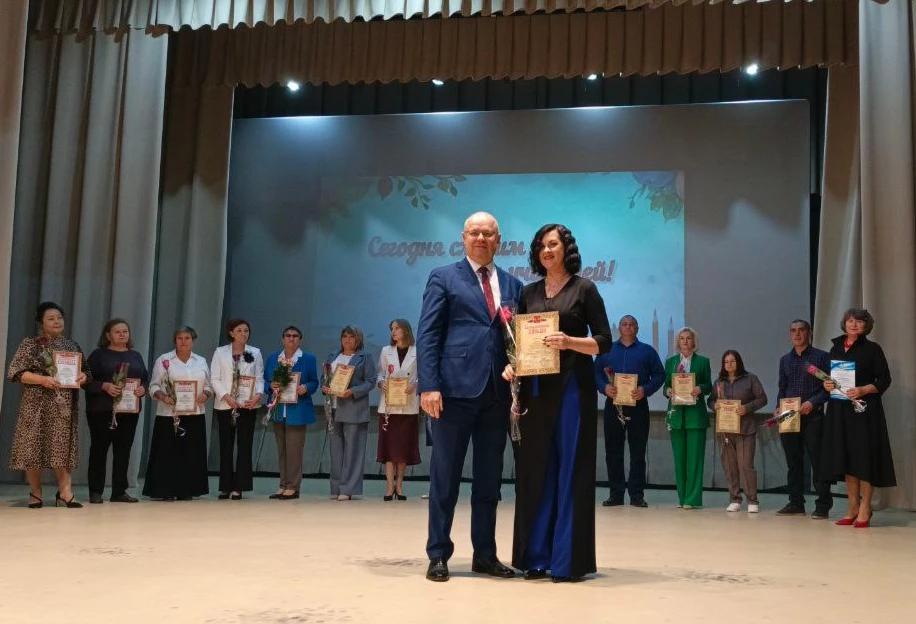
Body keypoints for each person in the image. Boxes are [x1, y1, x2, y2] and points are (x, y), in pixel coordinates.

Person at [417, 211, 523, 583]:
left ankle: (485, 555)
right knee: (445, 477)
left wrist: (517, 367)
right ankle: (438, 553)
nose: (481, 238)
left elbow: (517, 339)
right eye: (474, 232)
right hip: (451, 392)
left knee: (489, 480)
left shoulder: (513, 284)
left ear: (499, 240)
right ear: (463, 238)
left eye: (488, 233)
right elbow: (428, 334)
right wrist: (429, 386)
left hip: (496, 395)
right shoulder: (443, 277)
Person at [507, 224, 611, 582]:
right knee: (537, 471)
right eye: (541, 245)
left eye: (553, 244)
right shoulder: (528, 292)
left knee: (570, 471)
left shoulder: (585, 289)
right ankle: (535, 557)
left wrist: (570, 342)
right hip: (535, 392)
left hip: (572, 390)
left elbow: (604, 342)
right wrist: (511, 365)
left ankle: (567, 562)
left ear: (567, 249)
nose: (546, 250)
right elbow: (518, 343)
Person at [7, 302, 89, 508]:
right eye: (51, 318)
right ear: (41, 322)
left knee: (62, 448)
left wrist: (83, 376)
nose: (56, 321)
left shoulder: (71, 345)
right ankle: (35, 492)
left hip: (63, 407)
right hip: (36, 404)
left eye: (59, 317)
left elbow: (87, 372)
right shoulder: (31, 344)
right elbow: (16, 373)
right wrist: (42, 379)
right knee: (33, 447)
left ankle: (65, 493)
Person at [820, 308, 895, 528]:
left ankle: (865, 507)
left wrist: (863, 390)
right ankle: (852, 506)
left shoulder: (873, 349)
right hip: (839, 411)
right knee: (846, 457)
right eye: (850, 320)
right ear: (844, 323)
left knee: (864, 458)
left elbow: (884, 380)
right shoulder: (835, 348)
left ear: (866, 325)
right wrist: (826, 384)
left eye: (859, 321)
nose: (854, 324)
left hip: (864, 411)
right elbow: (829, 379)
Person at [593, 314, 664, 508]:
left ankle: (636, 495)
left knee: (638, 452)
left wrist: (645, 390)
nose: (628, 327)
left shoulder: (647, 351)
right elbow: (596, 373)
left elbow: (660, 375)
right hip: (613, 405)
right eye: (624, 324)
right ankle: (616, 494)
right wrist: (604, 387)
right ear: (619, 328)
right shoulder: (607, 350)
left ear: (637, 328)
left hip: (638, 406)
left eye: (632, 324)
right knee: (613, 452)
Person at [84, 318, 149, 504]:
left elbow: (145, 378)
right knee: (99, 450)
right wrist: (104, 386)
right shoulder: (98, 355)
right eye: (117, 332)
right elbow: (85, 380)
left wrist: (143, 389)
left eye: (125, 331)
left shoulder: (135, 355)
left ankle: (119, 491)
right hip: (101, 410)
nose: (122, 334)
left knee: (123, 451)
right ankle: (95, 491)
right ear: (108, 335)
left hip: (128, 411)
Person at [143, 326, 212, 500]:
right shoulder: (164, 360)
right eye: (180, 338)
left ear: (193, 340)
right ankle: (165, 490)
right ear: (175, 341)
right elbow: (153, 386)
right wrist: (163, 397)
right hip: (169, 415)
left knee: (191, 453)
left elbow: (208, 386)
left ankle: (186, 490)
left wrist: (205, 395)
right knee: (167, 453)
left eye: (187, 338)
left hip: (195, 414)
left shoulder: (201, 361)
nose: (183, 341)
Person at [775, 319, 833, 518]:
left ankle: (823, 505)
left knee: (818, 461)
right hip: (789, 417)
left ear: (809, 333)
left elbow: (830, 387)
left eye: (801, 330)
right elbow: (782, 387)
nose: (797, 334)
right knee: (793, 462)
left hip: (813, 417)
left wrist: (813, 402)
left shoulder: (821, 357)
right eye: (793, 331)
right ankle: (796, 503)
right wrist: (778, 407)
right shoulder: (785, 360)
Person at [707, 350, 768, 513]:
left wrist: (747, 408)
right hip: (725, 430)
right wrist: (714, 406)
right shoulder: (719, 382)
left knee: (746, 465)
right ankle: (735, 499)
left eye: (732, 361)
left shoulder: (751, 379)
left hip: (745, 429)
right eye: (726, 362)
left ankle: (752, 500)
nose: (729, 364)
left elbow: (762, 399)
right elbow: (710, 400)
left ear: (738, 362)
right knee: (730, 466)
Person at [263, 325, 319, 500]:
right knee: (282, 451)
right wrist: (270, 386)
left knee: (294, 451)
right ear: (282, 339)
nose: (291, 338)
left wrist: (306, 387)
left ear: (300, 340)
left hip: (297, 410)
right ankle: (283, 484)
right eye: (288, 335)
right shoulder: (273, 358)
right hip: (278, 410)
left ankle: (293, 487)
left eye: (295, 336)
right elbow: (264, 381)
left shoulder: (308, 359)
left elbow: (314, 382)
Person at [211, 319, 264, 500]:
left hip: (247, 405)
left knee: (244, 445)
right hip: (225, 404)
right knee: (226, 445)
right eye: (239, 330)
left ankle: (240, 486)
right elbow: (215, 378)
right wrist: (226, 396)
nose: (243, 333)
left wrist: (257, 395)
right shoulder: (220, 352)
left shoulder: (255, 352)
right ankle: (225, 486)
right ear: (231, 333)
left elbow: (260, 378)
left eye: (246, 330)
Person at [324, 325, 376, 501]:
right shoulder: (333, 356)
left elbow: (371, 381)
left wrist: (352, 391)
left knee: (353, 451)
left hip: (354, 408)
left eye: (351, 337)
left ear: (358, 339)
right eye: (344, 336)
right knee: (335, 450)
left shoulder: (365, 357)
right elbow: (325, 377)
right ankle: (337, 487)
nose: (347, 340)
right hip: (333, 407)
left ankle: (348, 488)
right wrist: (325, 387)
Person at [663, 327, 712, 509]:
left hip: (695, 417)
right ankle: (682, 498)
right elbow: (665, 386)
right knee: (679, 460)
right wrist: (668, 390)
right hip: (676, 416)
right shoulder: (671, 362)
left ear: (694, 342)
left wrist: (701, 388)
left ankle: (692, 499)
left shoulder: (703, 361)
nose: (685, 341)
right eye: (682, 338)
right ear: (678, 342)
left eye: (688, 338)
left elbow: (709, 385)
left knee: (695, 460)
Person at [376, 319, 420, 501]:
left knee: (403, 449)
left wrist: (415, 385)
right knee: (388, 448)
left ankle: (399, 486)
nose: (393, 331)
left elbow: (424, 374)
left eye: (397, 328)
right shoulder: (386, 351)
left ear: (406, 330)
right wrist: (381, 383)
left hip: (408, 406)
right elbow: (380, 374)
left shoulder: (418, 351)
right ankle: (389, 486)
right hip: (389, 406)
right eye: (392, 328)